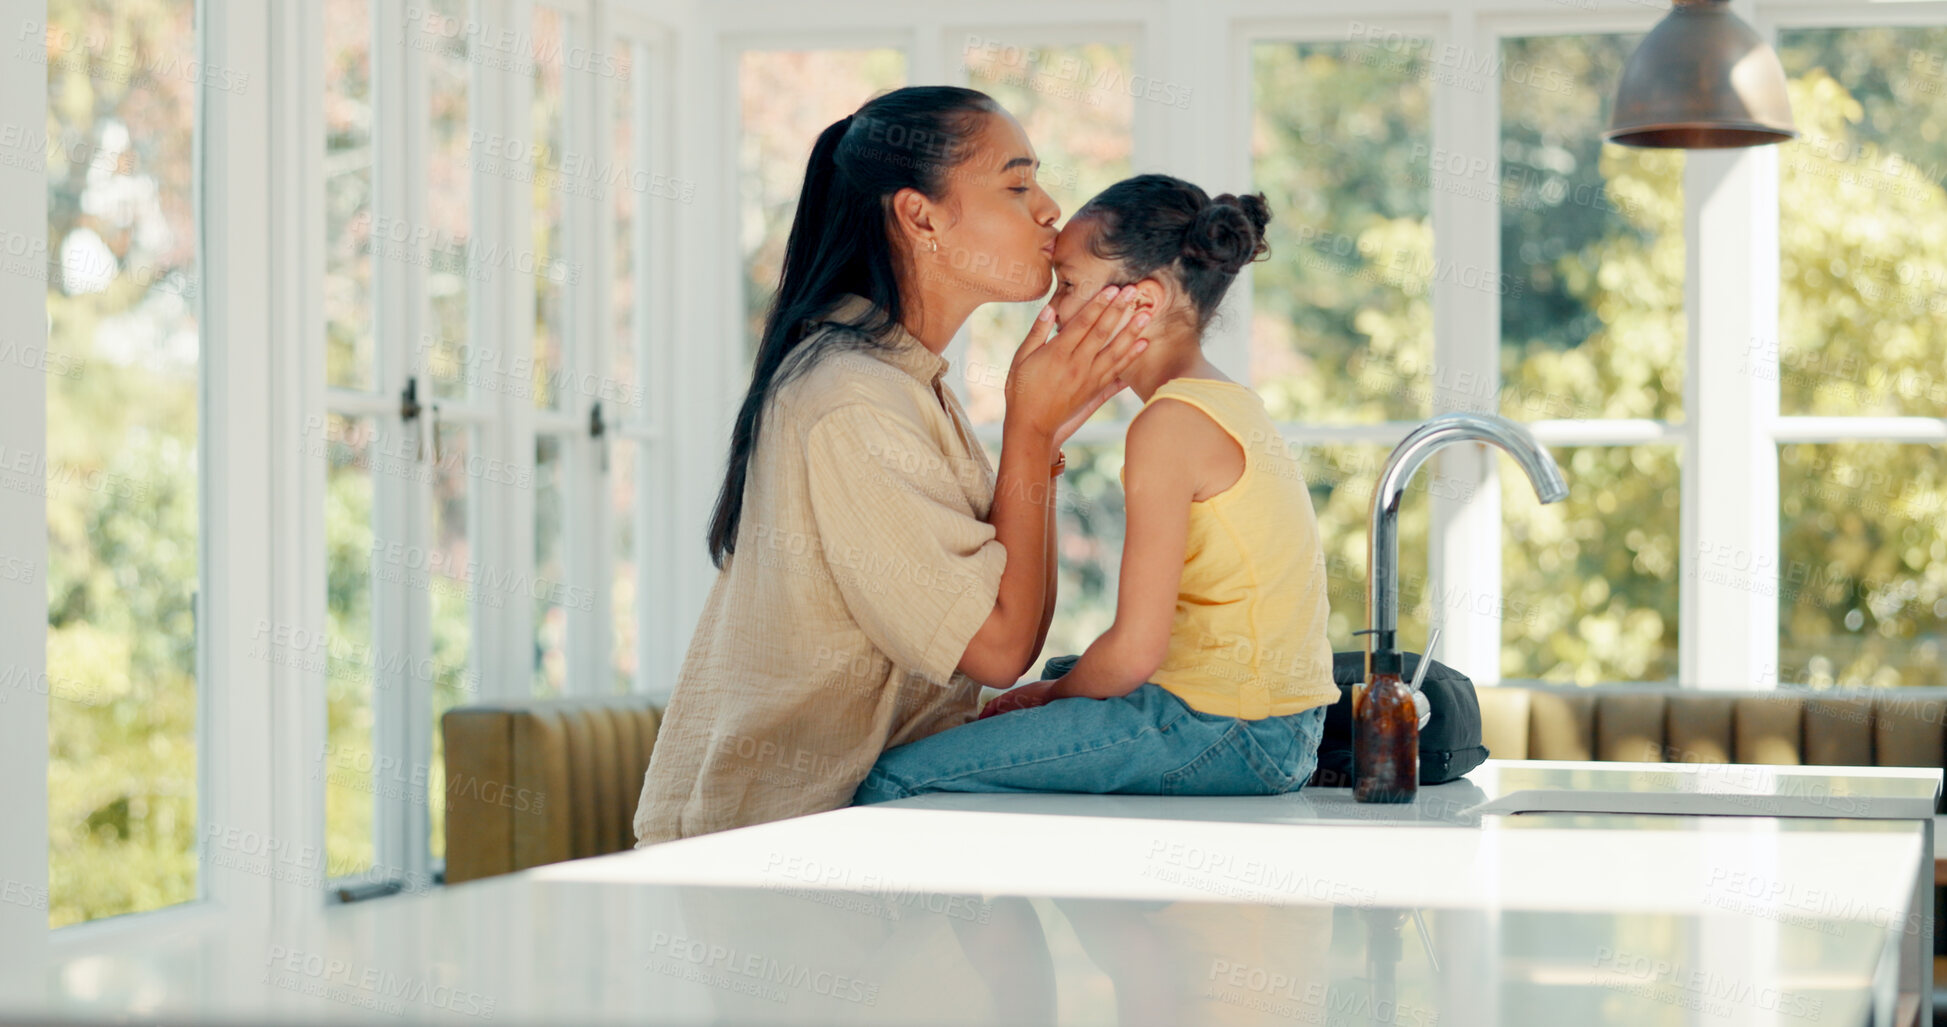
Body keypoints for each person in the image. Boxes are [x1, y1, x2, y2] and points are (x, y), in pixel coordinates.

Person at [632, 86, 1151, 845]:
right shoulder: (853, 399)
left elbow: (1013, 637)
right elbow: (1001, 648)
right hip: (775, 854)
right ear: (920, 215)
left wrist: (1034, 439)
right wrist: (1030, 435)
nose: (1050, 209)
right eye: (1015, 184)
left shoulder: (906, 380)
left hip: (862, 834)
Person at [852, 174, 1338, 803]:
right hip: (1276, 727)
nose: (1050, 312)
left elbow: (1135, 652)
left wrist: (1047, 701)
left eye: (1069, 285)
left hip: (1226, 730)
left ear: (1146, 300)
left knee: (892, 780)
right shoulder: (1224, 403)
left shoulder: (1168, 425)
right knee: (1061, 676)